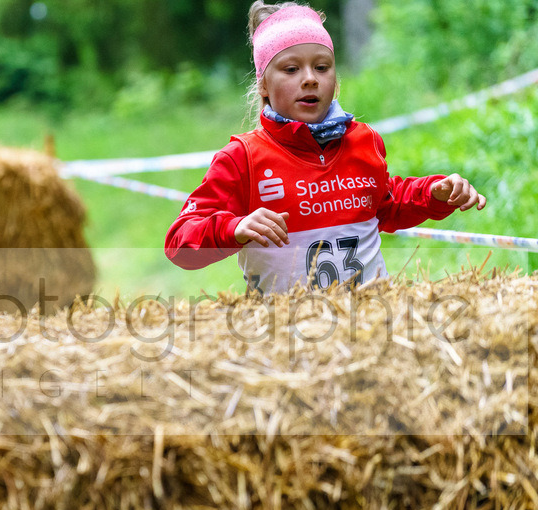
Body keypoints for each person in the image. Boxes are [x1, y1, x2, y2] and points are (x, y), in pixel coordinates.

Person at [164, 1, 486, 294]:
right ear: (263, 82)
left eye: (322, 67)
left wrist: (436, 193)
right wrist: (234, 227)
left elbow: (385, 205)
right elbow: (179, 242)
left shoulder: (364, 140)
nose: (310, 79)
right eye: (291, 69)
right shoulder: (242, 158)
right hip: (287, 338)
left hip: (373, 325)